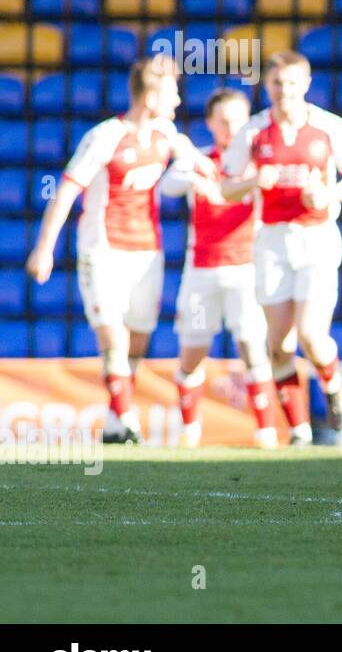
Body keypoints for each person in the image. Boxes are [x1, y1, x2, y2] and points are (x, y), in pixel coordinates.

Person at [26, 55, 210, 443]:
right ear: (151, 96)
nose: (178, 100)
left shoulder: (166, 134)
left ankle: (113, 422)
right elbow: (65, 193)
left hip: (148, 252)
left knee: (138, 340)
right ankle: (126, 420)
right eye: (172, 92)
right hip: (103, 249)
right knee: (114, 338)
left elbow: (200, 162)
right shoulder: (105, 136)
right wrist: (45, 249)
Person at [222, 51, 342, 447]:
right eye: (277, 83)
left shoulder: (328, 126)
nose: (284, 91)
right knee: (279, 344)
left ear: (305, 84)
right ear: (267, 86)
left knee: (311, 335)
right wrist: (255, 180)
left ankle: (334, 385)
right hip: (271, 240)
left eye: (291, 83)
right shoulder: (254, 131)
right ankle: (300, 430)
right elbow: (225, 187)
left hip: (316, 238)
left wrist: (329, 194)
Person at [161, 87, 277, 448]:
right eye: (224, 121)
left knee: (253, 348)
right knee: (192, 351)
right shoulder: (201, 160)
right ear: (210, 123)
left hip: (246, 270)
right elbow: (167, 186)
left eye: (238, 122)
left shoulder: (259, 167)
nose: (231, 129)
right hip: (202, 272)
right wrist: (197, 175)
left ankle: (266, 433)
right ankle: (189, 432)